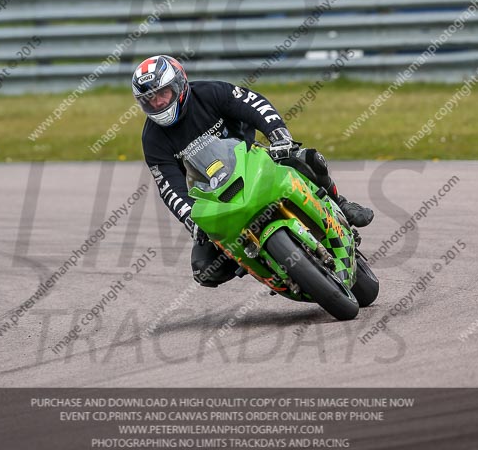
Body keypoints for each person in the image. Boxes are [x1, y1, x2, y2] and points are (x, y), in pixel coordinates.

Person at [133, 55, 373, 288]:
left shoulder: (210, 92)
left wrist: (277, 133)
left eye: (162, 94)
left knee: (307, 159)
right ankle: (266, 266)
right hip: (215, 197)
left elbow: (252, 104)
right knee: (205, 269)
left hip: (252, 163)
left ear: (180, 85)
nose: (158, 104)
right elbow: (168, 186)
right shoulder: (152, 139)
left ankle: (339, 203)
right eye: (149, 100)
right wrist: (190, 217)